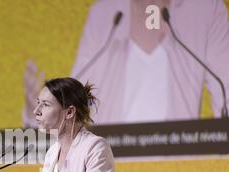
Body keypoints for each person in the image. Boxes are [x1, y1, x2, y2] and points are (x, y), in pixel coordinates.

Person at [23, 0, 229, 127]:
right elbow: (77, 104)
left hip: (180, 171)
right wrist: (47, 110)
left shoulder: (206, 9)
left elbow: (225, 95)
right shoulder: (104, 14)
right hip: (112, 168)